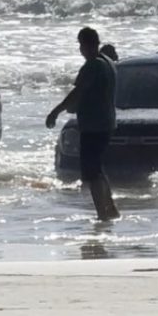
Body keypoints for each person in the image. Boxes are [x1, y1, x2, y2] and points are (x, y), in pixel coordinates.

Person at [46, 27, 119, 221]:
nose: (80, 49)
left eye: (80, 45)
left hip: (94, 125)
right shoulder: (109, 63)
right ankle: (110, 208)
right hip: (107, 123)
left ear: (85, 45)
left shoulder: (93, 65)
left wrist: (56, 111)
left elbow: (77, 92)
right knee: (98, 168)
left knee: (92, 172)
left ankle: (102, 213)